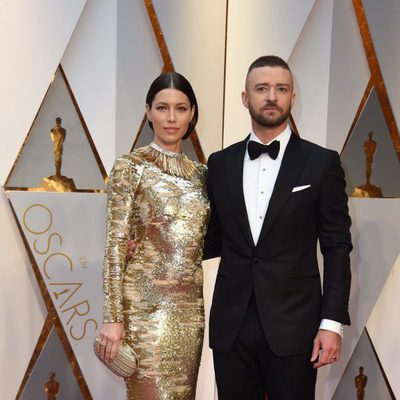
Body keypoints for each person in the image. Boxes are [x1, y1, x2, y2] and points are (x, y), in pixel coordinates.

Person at [203, 55, 352, 400]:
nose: (271, 96)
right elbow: (211, 243)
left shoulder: (321, 163)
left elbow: (336, 247)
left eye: (281, 89)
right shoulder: (219, 163)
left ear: (292, 98)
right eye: (262, 88)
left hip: (295, 326)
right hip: (231, 327)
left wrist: (331, 324)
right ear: (245, 97)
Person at [98, 72, 209, 400]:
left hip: (190, 312)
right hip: (144, 309)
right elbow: (116, 243)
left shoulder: (204, 174)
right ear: (148, 111)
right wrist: (113, 318)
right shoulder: (130, 166)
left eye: (180, 108)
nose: (171, 118)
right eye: (162, 108)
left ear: (192, 113)